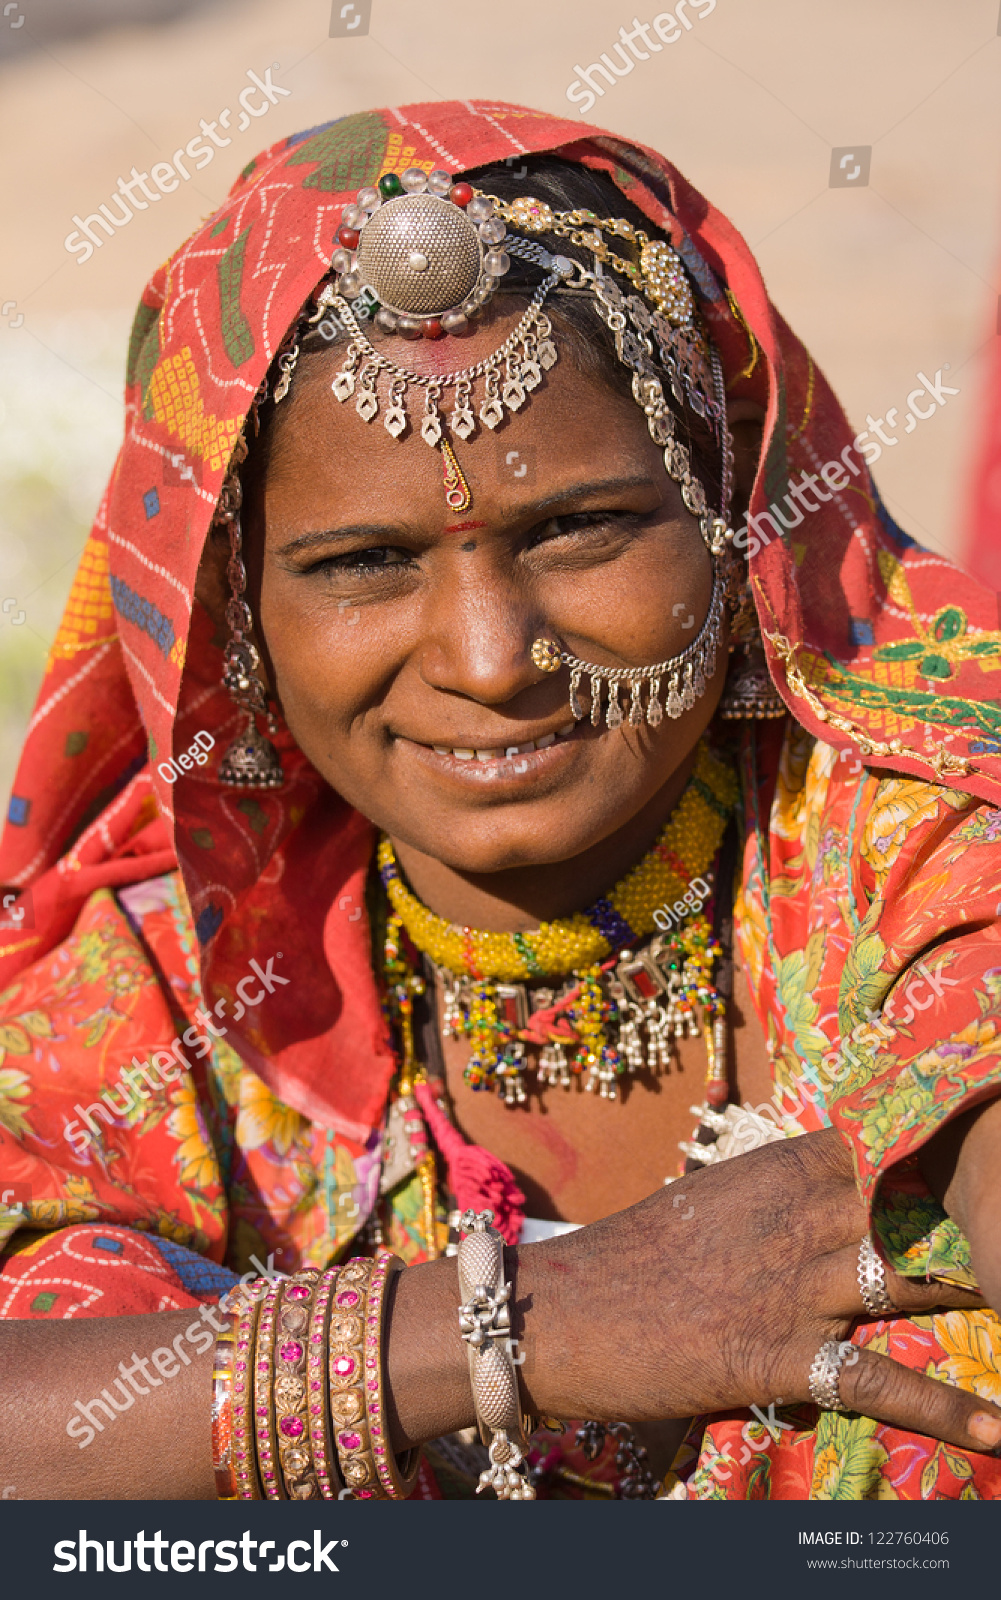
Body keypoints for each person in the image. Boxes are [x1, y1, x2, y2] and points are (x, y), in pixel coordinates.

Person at [0, 100, 999, 1504]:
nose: (489, 661)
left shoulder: (915, 839)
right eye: (360, 563)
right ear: (233, 619)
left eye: (578, 528)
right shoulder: (152, 969)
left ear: (731, 520)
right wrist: (526, 1332)